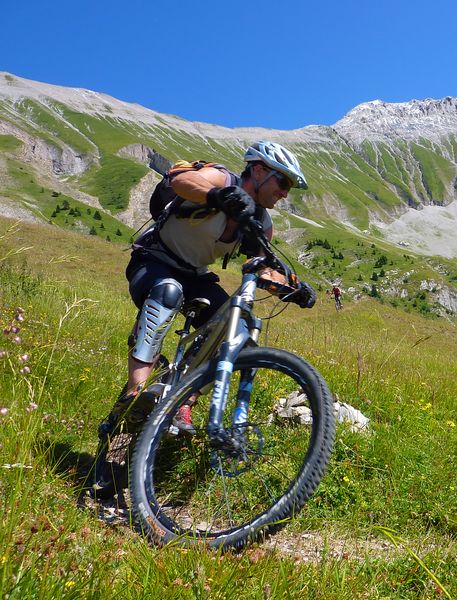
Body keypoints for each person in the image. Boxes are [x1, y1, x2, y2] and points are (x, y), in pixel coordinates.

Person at [97, 140, 313, 442]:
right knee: (167, 293)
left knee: (237, 332)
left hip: (195, 276)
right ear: (260, 170)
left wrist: (293, 289)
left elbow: (262, 267)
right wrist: (218, 195)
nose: (285, 192)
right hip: (154, 260)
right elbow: (182, 181)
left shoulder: (262, 221)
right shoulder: (223, 178)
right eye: (283, 181)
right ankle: (136, 395)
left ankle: (184, 399)